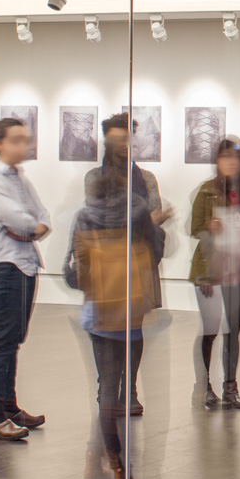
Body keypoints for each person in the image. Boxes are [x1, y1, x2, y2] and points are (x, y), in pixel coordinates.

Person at [65, 156, 163, 479]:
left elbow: (72, 273)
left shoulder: (83, 216)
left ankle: (120, 472)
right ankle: (126, 477)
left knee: (106, 392)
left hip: (99, 314)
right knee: (124, 391)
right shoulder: (137, 212)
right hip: (130, 311)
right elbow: (156, 251)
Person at [85, 112, 170, 416]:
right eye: (119, 138)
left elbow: (156, 214)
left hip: (139, 264)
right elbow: (99, 217)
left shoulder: (145, 178)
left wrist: (139, 220)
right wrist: (141, 219)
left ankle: (130, 389)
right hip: (108, 264)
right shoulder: (95, 177)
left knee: (134, 330)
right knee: (106, 330)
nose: (125, 144)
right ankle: (106, 387)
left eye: (129, 137)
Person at [0, 118, 51, 441]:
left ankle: (8, 406)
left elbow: (43, 219)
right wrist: (29, 228)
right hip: (3, 266)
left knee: (14, 339)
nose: (24, 146)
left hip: (26, 265)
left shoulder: (20, 178)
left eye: (26, 140)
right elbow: (19, 221)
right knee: (3, 340)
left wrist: (32, 228)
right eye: (16, 140)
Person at [188, 136, 240, 409]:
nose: (229, 162)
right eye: (224, 157)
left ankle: (230, 388)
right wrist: (212, 227)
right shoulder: (206, 191)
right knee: (210, 331)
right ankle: (205, 386)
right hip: (210, 270)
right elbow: (194, 227)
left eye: (234, 157)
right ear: (217, 161)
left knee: (233, 331)